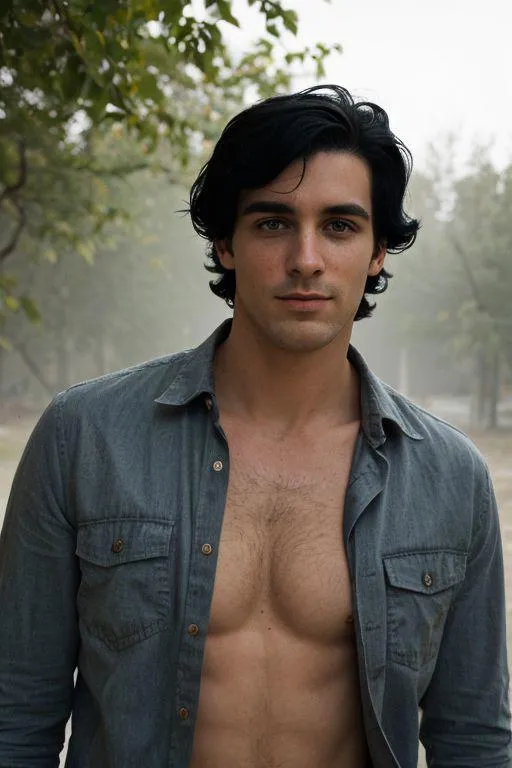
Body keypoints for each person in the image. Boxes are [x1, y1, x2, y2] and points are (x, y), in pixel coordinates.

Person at [0, 85, 510, 768]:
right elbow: (17, 715)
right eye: (272, 222)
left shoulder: (450, 478)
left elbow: (474, 739)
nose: (306, 258)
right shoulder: (84, 439)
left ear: (379, 250)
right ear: (226, 242)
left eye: (340, 225)